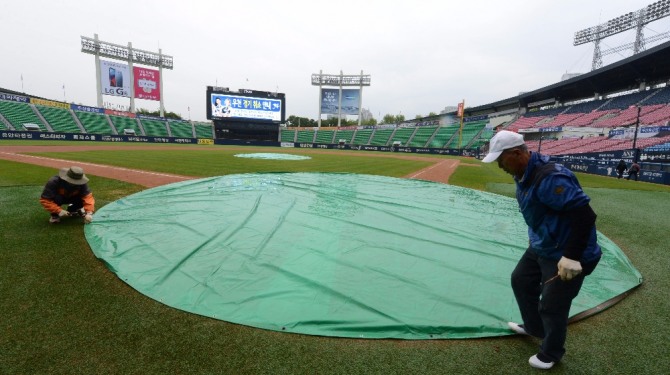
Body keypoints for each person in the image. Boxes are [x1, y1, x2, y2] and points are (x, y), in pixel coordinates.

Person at [482, 130, 602, 370]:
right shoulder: (523, 173)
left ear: (516, 153)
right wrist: (533, 241)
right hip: (543, 246)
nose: (500, 166)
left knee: (552, 305)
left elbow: (584, 215)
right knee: (521, 280)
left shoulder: (550, 178)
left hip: (567, 253)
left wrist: (572, 256)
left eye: (501, 160)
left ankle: (551, 353)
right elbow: (537, 214)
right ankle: (535, 328)